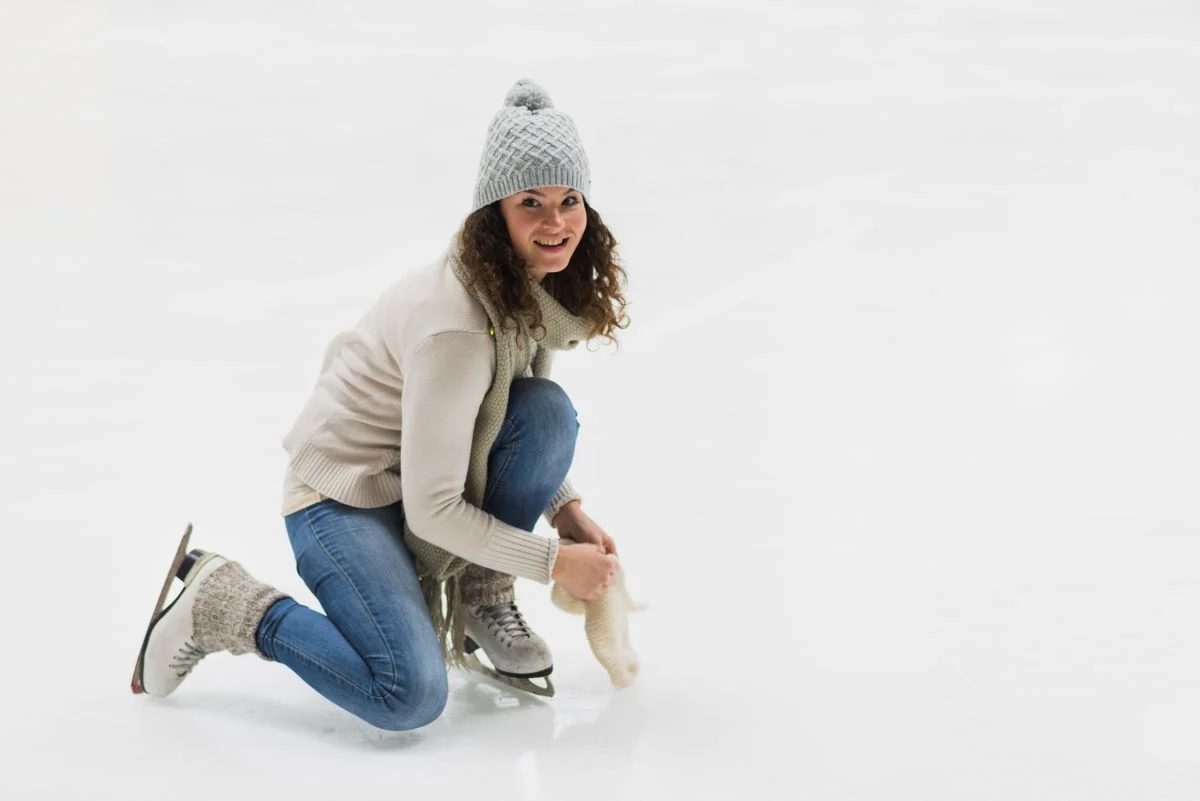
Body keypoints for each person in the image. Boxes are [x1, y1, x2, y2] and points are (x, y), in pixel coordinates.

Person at [130, 79, 629, 731]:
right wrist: (551, 562)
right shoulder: (456, 327)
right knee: (408, 692)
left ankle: (480, 593)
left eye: (569, 199)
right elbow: (434, 506)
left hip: (423, 471)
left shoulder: (529, 293)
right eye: (530, 201)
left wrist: (564, 509)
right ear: (494, 213)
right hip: (342, 496)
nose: (555, 222)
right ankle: (225, 602)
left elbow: (506, 415)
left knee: (546, 411)